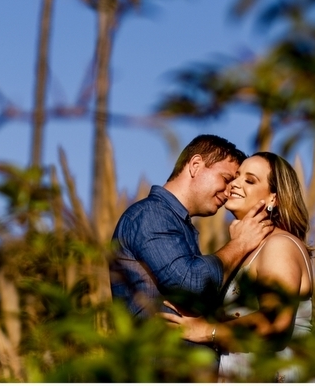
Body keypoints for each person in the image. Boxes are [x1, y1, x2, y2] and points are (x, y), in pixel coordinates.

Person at [164, 152, 315, 382]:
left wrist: (206, 330)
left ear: (273, 199)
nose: (234, 183)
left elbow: (275, 321)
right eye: (236, 177)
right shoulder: (249, 249)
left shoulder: (279, 245)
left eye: (250, 180)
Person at [109, 135, 274, 331]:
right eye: (226, 179)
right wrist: (239, 244)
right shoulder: (150, 215)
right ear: (195, 165)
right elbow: (191, 283)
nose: (229, 191)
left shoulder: (174, 222)